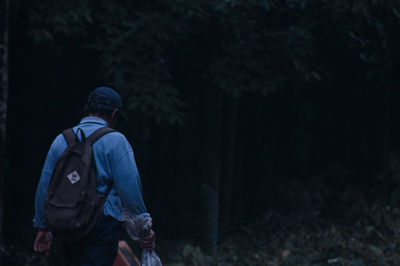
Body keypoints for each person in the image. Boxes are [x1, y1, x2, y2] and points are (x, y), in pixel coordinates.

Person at [33, 86, 156, 265]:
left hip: (64, 223)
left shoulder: (61, 140)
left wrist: (42, 226)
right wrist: (143, 228)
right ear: (114, 114)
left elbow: (45, 186)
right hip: (102, 225)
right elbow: (129, 187)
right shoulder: (116, 140)